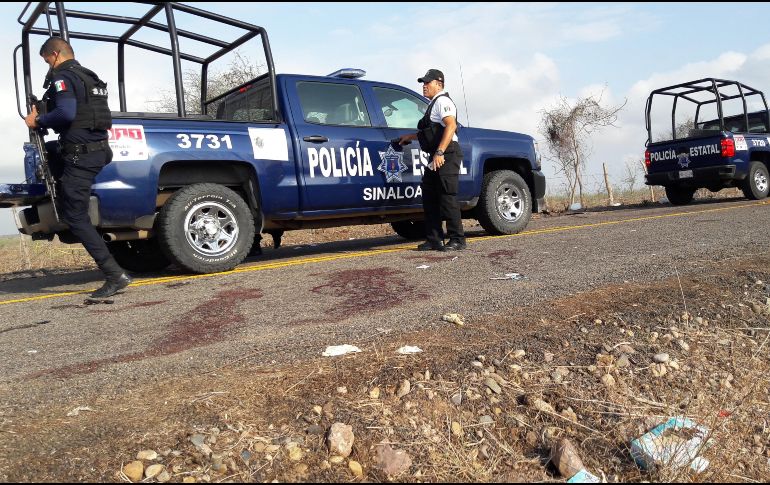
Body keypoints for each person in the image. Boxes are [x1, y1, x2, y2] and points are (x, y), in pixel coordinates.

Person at [24, 37, 132, 298]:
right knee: (60, 174)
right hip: (95, 150)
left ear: (55, 54)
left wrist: (37, 121)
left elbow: (66, 113)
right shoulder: (88, 77)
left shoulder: (63, 77)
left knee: (75, 216)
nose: (48, 66)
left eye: (47, 61)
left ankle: (114, 275)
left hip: (82, 156)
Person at [399, 69, 466, 251]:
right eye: (423, 83)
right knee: (429, 196)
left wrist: (440, 152)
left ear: (439, 84)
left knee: (447, 196)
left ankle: (457, 239)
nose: (424, 86)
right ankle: (434, 239)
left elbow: (451, 125)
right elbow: (432, 131)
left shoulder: (443, 101)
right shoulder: (433, 104)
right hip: (436, 155)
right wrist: (410, 137)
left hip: (446, 153)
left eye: (427, 82)